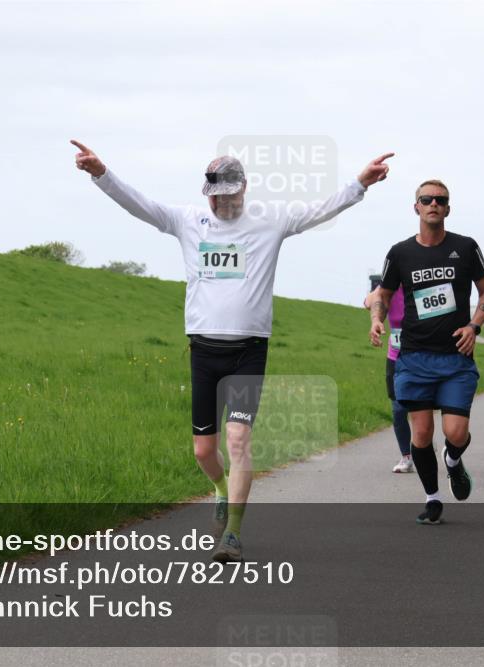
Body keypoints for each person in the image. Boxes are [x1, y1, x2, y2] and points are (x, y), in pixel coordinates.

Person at [72, 139, 393, 560]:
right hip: (203, 351)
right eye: (215, 197)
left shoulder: (270, 220)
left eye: (228, 196)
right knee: (204, 450)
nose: (221, 204)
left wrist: (359, 184)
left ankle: (233, 534)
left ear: (243, 189)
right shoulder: (187, 221)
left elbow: (320, 209)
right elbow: (139, 204)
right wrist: (101, 174)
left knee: (238, 439)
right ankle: (220, 490)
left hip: (248, 351)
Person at [369, 179, 484, 526]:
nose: (434, 204)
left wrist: (474, 326)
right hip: (414, 358)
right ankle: (433, 498)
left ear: (448, 208)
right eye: (427, 199)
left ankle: (453, 460)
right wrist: (377, 319)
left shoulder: (466, 248)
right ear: (417, 207)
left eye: (440, 200)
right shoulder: (400, 253)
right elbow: (383, 292)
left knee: (455, 432)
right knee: (421, 434)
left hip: (455, 357)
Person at [364, 285, 414, 473]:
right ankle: (406, 456)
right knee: (398, 409)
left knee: (420, 408)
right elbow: (368, 301)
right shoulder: (390, 283)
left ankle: (422, 442)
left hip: (421, 356)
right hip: (395, 358)